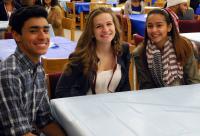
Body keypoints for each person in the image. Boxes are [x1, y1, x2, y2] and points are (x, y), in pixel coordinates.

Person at [0, 6, 65, 135]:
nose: (43, 37)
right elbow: (20, 133)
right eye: (34, 31)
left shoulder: (38, 68)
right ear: (16, 35)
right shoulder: (9, 74)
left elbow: (44, 119)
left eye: (46, 31)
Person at [55, 7, 130, 98]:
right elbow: (61, 92)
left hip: (114, 108)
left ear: (115, 26)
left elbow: (125, 86)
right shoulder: (80, 57)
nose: (105, 29)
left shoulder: (123, 50)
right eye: (99, 26)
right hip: (85, 108)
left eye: (109, 24)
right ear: (92, 32)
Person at [133, 8, 200, 90]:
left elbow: (193, 81)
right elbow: (146, 86)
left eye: (159, 25)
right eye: (150, 26)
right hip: (156, 98)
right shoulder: (140, 53)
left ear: (169, 27)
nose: (154, 30)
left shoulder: (183, 46)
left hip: (185, 96)